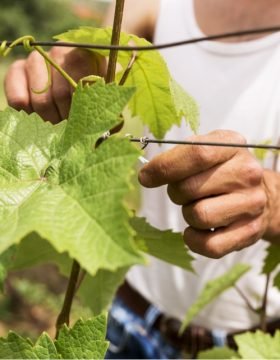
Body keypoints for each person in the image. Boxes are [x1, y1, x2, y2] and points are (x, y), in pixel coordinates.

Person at [5, 0, 280, 357]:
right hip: (132, 319)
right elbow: (114, 53)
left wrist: (272, 201)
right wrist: (75, 66)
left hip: (253, 342)